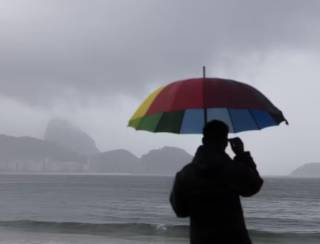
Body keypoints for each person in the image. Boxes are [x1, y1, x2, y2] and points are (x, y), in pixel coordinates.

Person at [170, 120, 263, 244]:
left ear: (203, 140)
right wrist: (241, 155)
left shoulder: (185, 174)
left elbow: (180, 211)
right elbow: (254, 185)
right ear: (225, 142)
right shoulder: (230, 168)